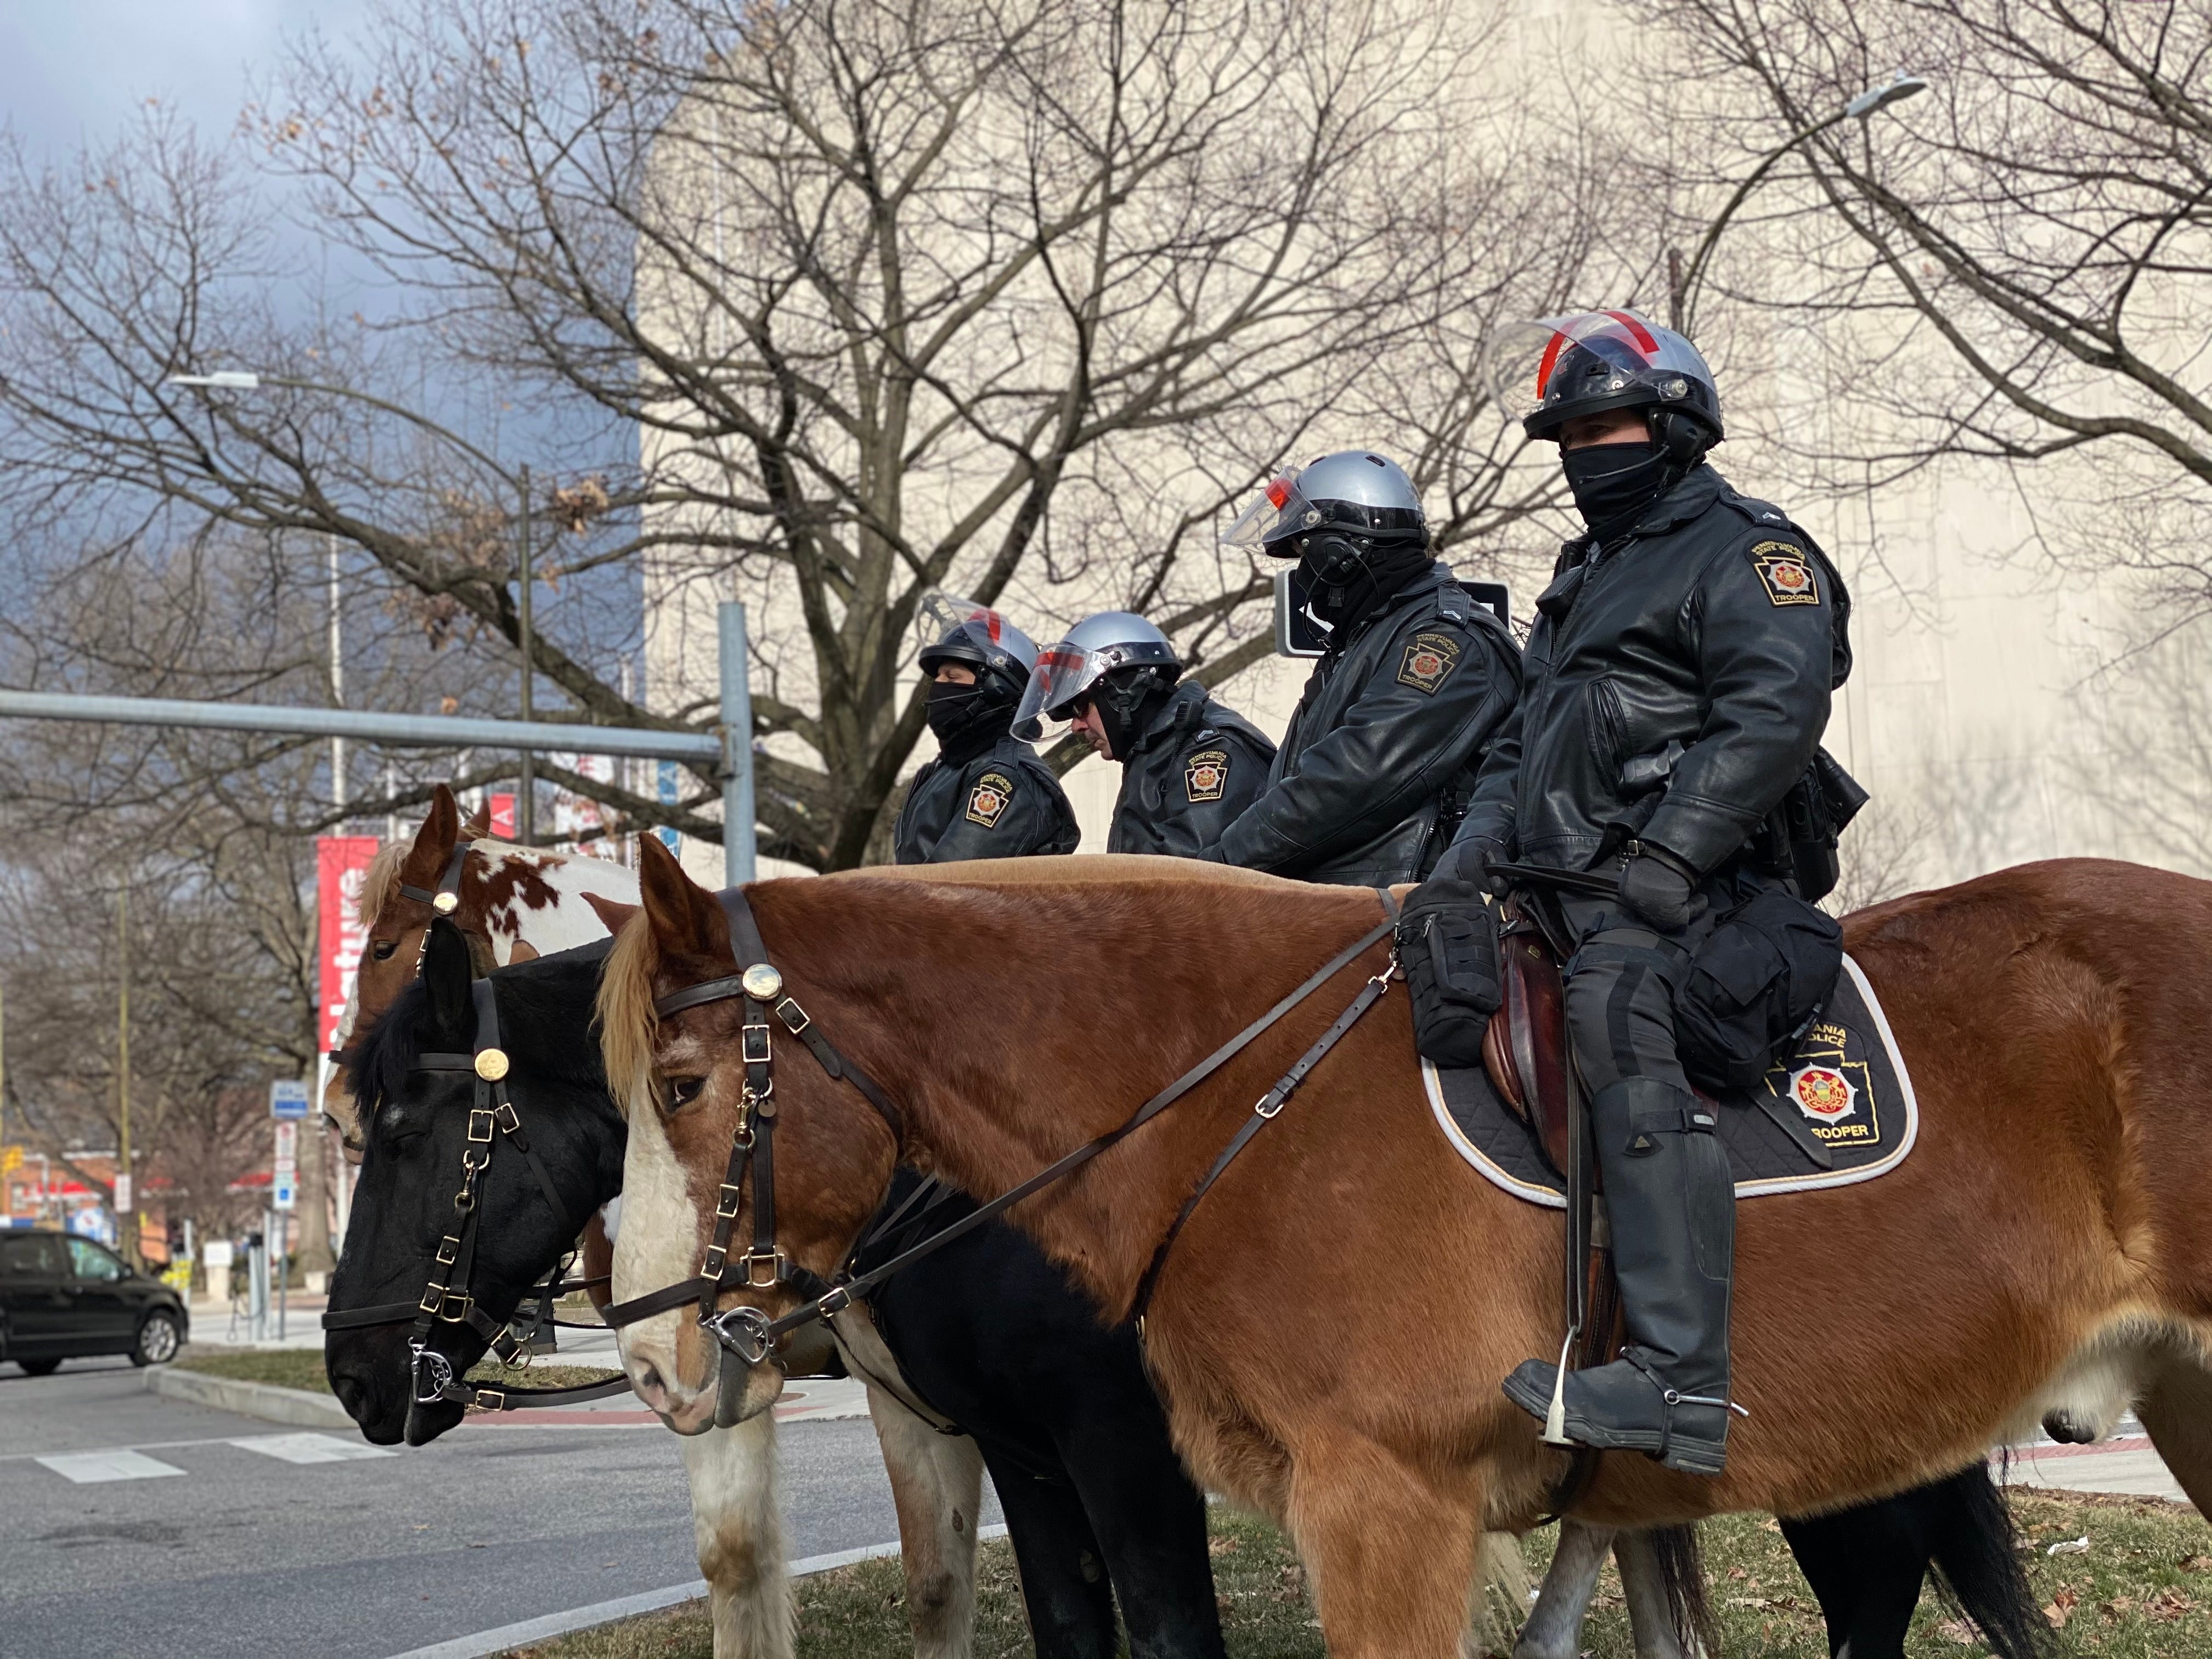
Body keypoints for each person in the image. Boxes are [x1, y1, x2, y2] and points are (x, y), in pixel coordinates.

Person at [1439, 309, 1853, 1476]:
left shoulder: (1749, 551)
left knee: (1621, 1002)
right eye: (1567, 432)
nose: (1585, 450)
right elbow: (1520, 743)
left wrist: (1671, 858)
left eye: (1608, 423)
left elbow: (1774, 712)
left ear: (1676, 427)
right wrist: (1465, 860)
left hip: (1698, 884)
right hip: (1559, 882)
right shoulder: (1587, 573)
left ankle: (1678, 1379)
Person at [1202, 450, 1520, 887]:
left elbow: (1352, 778)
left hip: (1398, 918)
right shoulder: (1360, 643)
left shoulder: (1447, 640)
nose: (1302, 574)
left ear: (1341, 556)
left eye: (1304, 554)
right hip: (1338, 911)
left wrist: (1217, 869)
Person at [1014, 612, 1276, 857]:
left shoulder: (1210, 749)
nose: (1076, 727)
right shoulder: (1156, 752)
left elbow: (1187, 878)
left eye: (1082, 707)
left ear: (1125, 692)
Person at [894, 593, 1080, 864]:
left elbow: (947, 886)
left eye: (952, 676)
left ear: (997, 690)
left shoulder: (1004, 777)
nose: (938, 686)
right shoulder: (948, 769)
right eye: (938, 677)